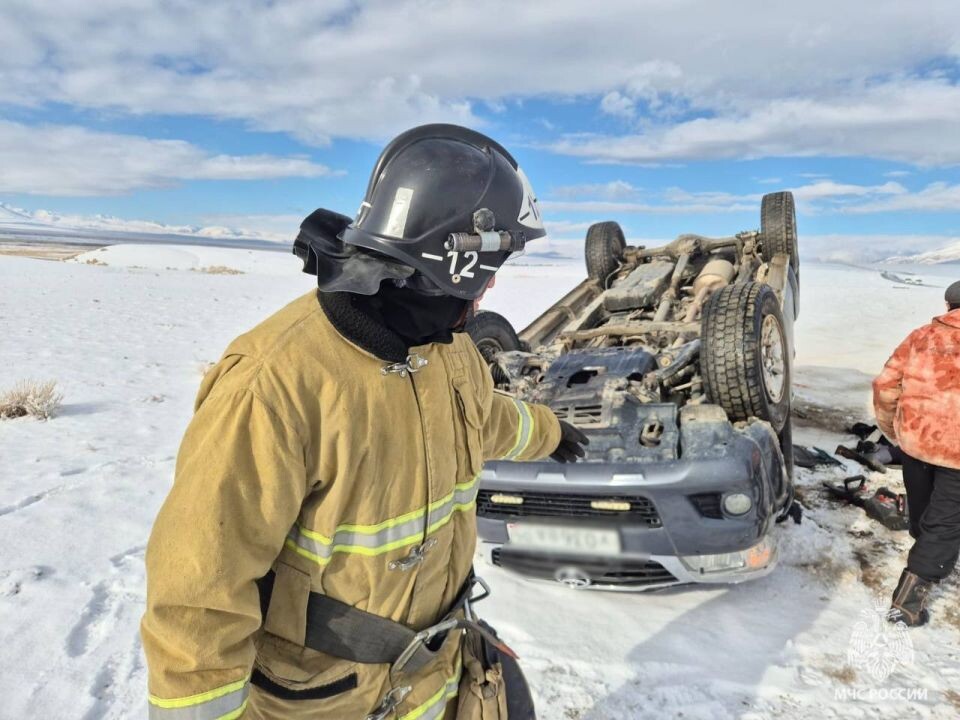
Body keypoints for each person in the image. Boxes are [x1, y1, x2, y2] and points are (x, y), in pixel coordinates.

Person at [141, 124, 588, 719]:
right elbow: (197, 591)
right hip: (324, 700)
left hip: (434, 674)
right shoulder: (275, 383)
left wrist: (550, 433)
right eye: (495, 261)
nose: (494, 282)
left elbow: (483, 420)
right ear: (455, 259)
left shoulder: (446, 350)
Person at [873, 279, 960, 627]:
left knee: (926, 513)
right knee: (944, 524)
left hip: (916, 445)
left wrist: (894, 431)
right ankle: (906, 604)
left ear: (947, 306)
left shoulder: (921, 336)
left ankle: (928, 552)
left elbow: (885, 385)